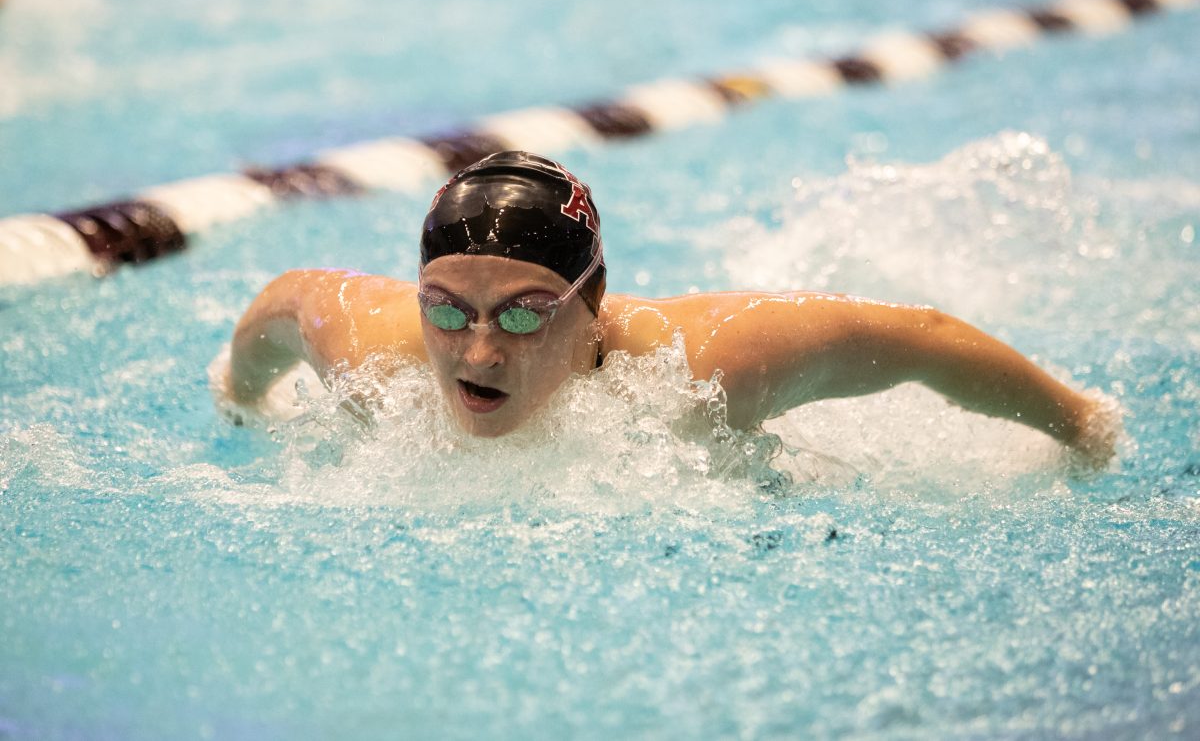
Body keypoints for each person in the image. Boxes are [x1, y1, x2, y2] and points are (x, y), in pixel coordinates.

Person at [218, 151, 1115, 465]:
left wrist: (1079, 426)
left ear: (591, 302)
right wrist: (243, 396)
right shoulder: (379, 353)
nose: (478, 352)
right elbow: (284, 305)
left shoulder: (699, 366)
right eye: (448, 310)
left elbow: (921, 338)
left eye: (526, 313)